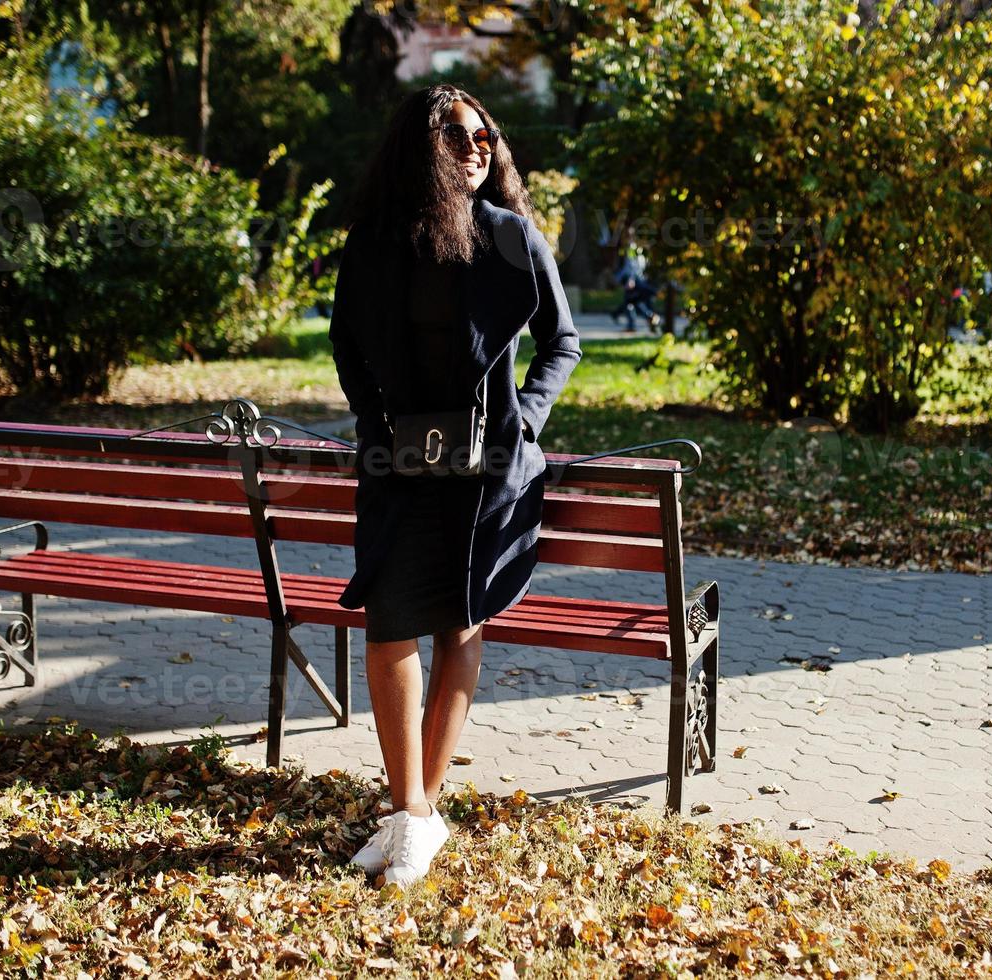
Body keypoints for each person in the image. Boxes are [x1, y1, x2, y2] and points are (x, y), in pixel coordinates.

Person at [327, 84, 581, 888]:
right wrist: (373, 424)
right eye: (460, 135)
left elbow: (560, 342)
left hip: (488, 471)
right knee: (387, 625)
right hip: (400, 464)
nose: (479, 147)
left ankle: (414, 818)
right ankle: (413, 813)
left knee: (458, 625)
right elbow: (344, 345)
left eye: (487, 136)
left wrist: (526, 421)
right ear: (421, 146)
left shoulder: (509, 238)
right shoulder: (373, 243)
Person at [609, 246, 660, 332]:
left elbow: (633, 268)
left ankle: (635, 323)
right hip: (635, 281)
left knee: (631, 302)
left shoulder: (634, 250)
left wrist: (631, 279)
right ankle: (648, 317)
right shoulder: (630, 249)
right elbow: (632, 267)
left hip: (635, 282)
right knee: (632, 302)